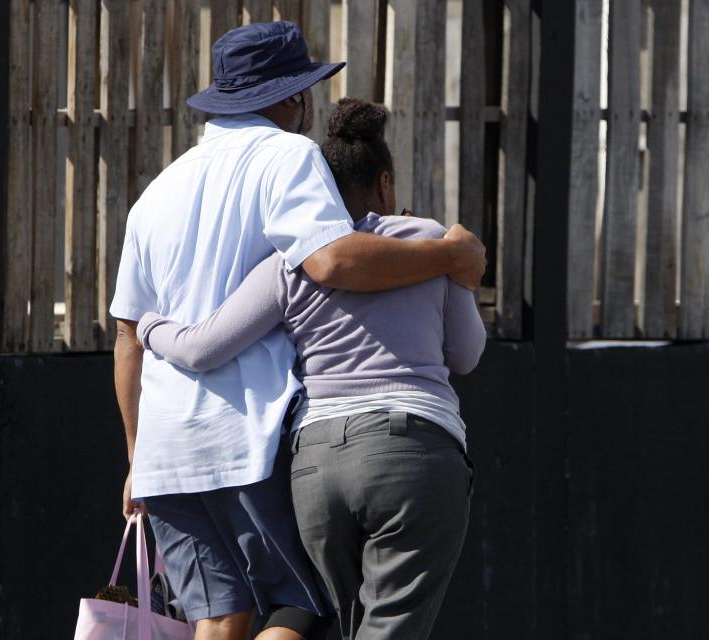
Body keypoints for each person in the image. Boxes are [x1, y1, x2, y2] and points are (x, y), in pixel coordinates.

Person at [111, 21, 487, 640]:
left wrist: (135, 458)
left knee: (219, 617)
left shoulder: (155, 193)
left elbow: (128, 336)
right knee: (302, 608)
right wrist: (450, 258)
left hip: (163, 447)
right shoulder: (289, 155)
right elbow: (332, 261)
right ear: (292, 98)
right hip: (248, 432)